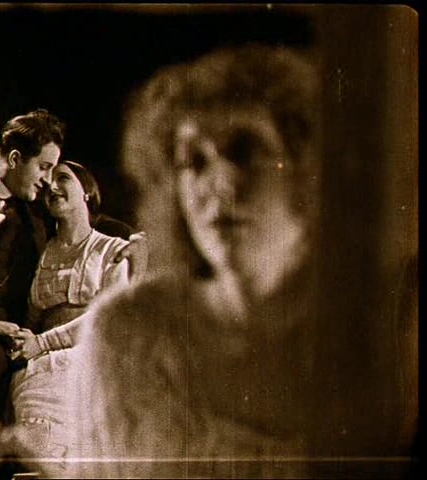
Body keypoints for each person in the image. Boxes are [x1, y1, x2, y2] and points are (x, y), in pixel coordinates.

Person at [58, 44, 417, 479]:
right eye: (194, 162)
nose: (220, 185)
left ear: (308, 169)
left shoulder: (389, 322)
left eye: (244, 152)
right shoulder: (125, 333)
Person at [0, 109, 145, 418]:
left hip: (13, 337)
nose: (49, 181)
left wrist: (136, 239)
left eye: (55, 173)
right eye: (44, 167)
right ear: (15, 159)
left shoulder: (37, 207)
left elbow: (86, 217)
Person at [0, 161, 132, 477]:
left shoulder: (113, 250)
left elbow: (108, 318)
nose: (52, 186)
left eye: (63, 178)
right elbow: (31, 319)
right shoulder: (39, 253)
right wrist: (22, 339)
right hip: (39, 365)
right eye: (48, 180)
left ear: (87, 193)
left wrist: (41, 343)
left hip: (91, 354)